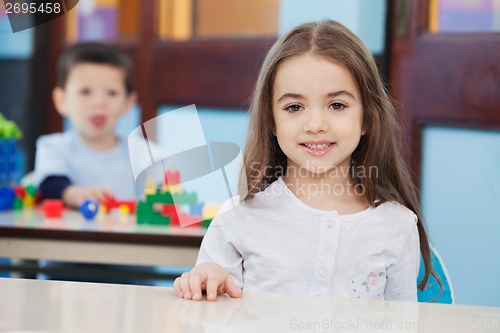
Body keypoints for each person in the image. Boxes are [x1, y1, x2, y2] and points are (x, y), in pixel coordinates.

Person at [174, 20, 438, 301]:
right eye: (294, 107)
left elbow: (402, 324)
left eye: (337, 105)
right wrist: (207, 277)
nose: (315, 124)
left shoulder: (397, 225)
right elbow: (210, 308)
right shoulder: (238, 218)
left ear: (368, 119)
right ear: (272, 121)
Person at [34, 42, 138, 208]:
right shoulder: (53, 147)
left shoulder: (144, 155)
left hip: (126, 233)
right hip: (73, 233)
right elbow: (50, 185)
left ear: (128, 102)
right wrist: (73, 193)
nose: (98, 103)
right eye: (85, 92)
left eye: (111, 93)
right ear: (61, 100)